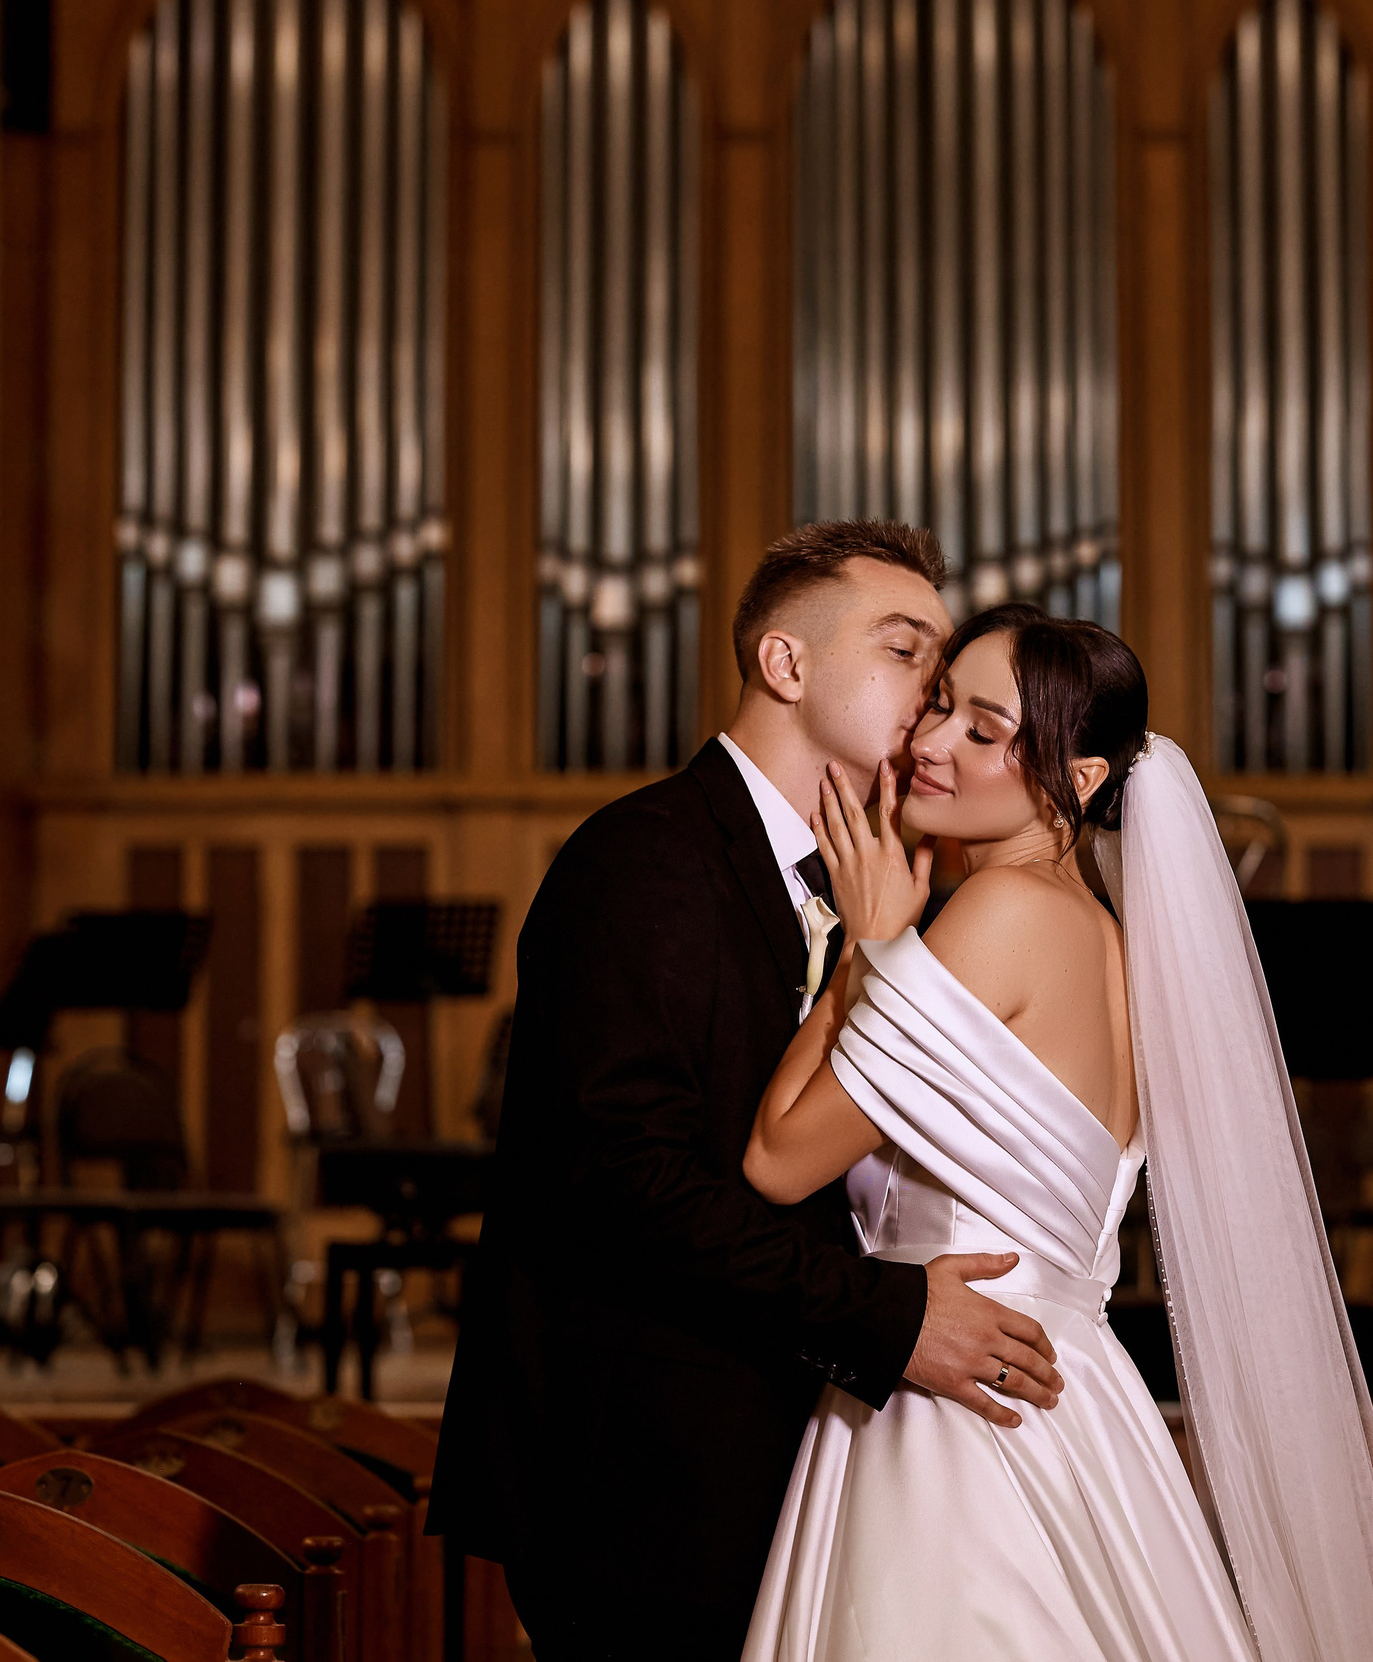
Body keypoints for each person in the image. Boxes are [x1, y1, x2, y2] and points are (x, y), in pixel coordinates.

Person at [741, 605, 1373, 1661]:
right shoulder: (1108, 940)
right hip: (1072, 1388)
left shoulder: (998, 916)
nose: (928, 742)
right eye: (938, 707)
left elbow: (778, 1159)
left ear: (1077, 778)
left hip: (959, 1407)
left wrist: (865, 942)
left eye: (983, 730)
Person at [430, 523, 1068, 1660]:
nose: (934, 684)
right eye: (904, 646)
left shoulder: (882, 884)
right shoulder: (645, 860)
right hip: (639, 1477)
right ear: (785, 664)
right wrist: (891, 1314)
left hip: (787, 1459)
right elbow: (626, 1183)